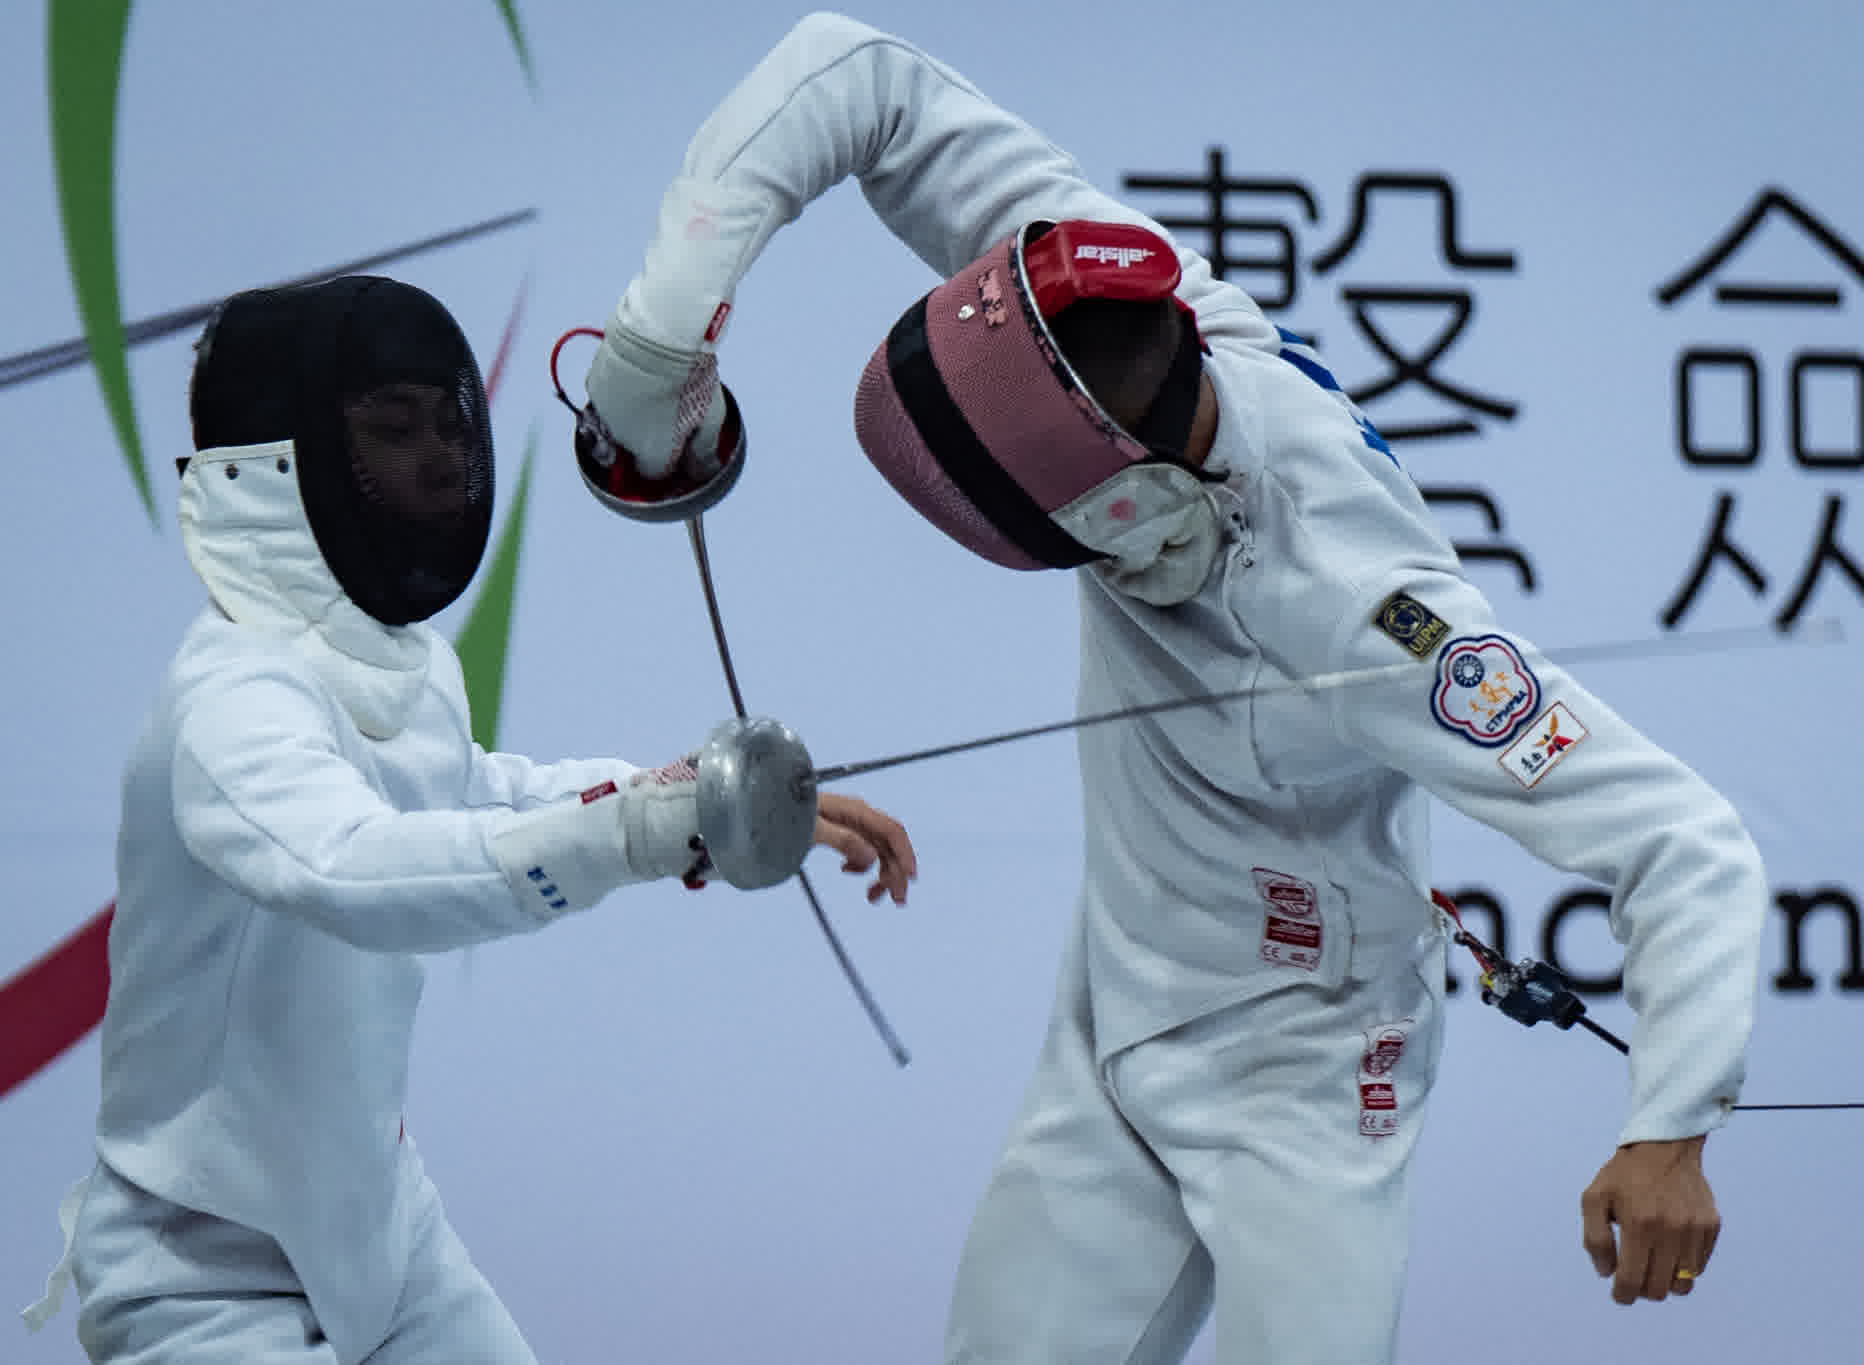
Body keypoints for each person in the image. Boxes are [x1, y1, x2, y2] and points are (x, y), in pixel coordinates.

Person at [583, 13, 1769, 1362]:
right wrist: (662, 335)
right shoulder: (1102, 300)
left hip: (1305, 1072)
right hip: (1115, 1009)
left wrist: (1669, 1125)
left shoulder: (1354, 605)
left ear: (1138, 509)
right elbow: (857, 73)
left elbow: (1683, 840)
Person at [21, 274, 916, 1365]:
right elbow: (352, 867)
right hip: (204, 1274)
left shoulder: (399, 666)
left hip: (383, 1235)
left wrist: (691, 806)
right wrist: (641, 829)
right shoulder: (233, 699)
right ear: (280, 462)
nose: (444, 459)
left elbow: (473, 795)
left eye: (449, 422)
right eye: (393, 430)